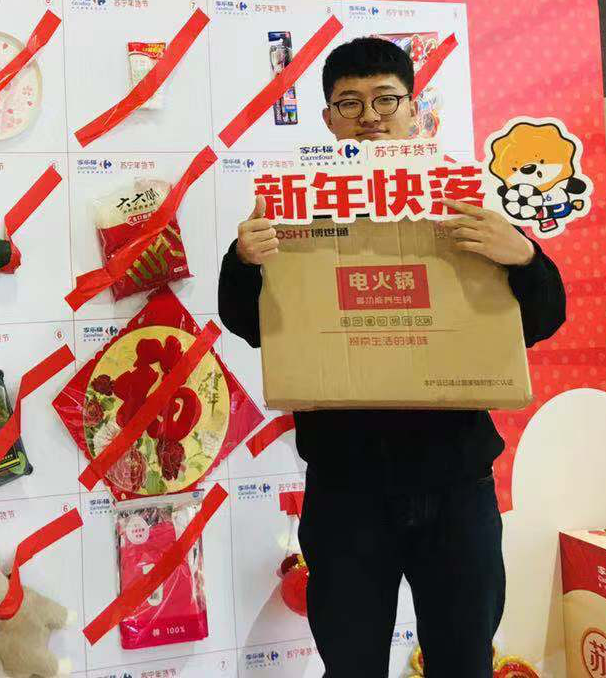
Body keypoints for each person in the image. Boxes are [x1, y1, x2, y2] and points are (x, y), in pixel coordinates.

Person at [217, 36, 566, 676]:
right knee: (351, 664)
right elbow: (252, 327)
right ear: (328, 119)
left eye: (385, 99)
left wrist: (524, 255)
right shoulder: (298, 208)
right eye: (349, 103)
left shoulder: (458, 200)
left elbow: (543, 321)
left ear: (413, 107)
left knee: (464, 661)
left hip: (456, 482)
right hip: (345, 487)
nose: (370, 117)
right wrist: (243, 262)